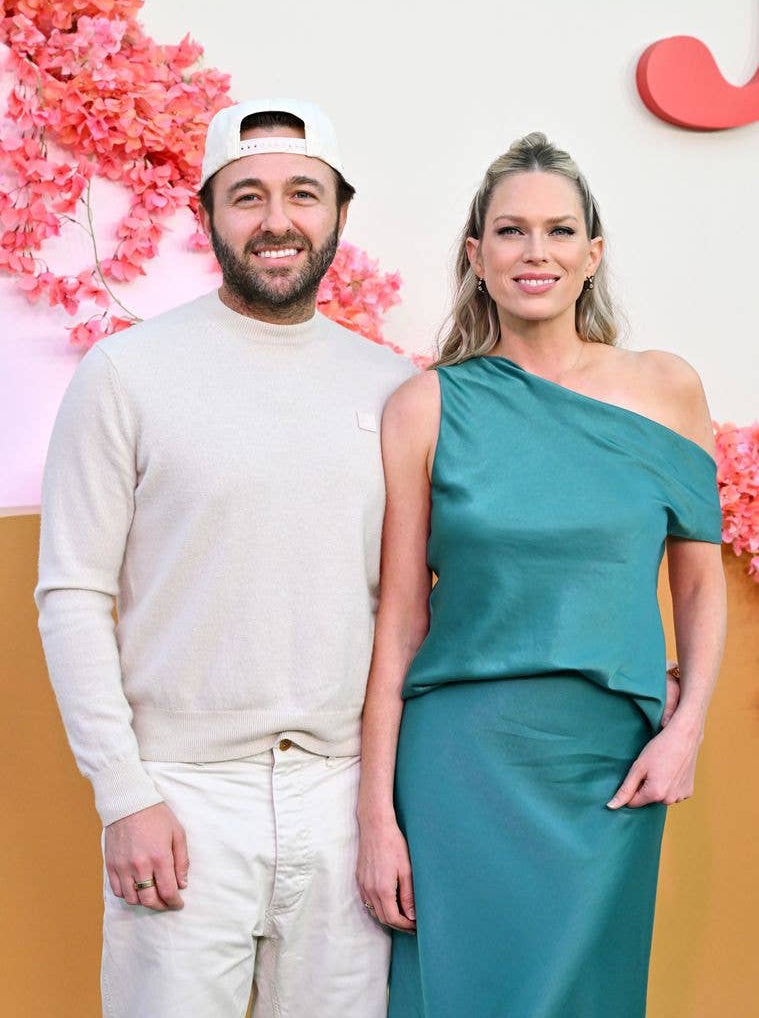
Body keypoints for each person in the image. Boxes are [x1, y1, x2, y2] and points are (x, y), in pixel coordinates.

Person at [35, 98, 415, 1018]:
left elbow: (419, 602)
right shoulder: (125, 374)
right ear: (205, 212)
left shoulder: (395, 387)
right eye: (247, 196)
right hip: (181, 795)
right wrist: (124, 796)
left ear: (338, 216)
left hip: (343, 799)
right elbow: (73, 592)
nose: (276, 220)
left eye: (302, 195)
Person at [356, 132, 726, 1018]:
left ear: (591, 256)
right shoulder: (425, 406)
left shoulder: (665, 387)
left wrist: (687, 733)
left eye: (559, 232)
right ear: (476, 255)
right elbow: (400, 623)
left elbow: (699, 585)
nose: (536, 253)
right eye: (511, 232)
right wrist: (376, 817)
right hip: (459, 762)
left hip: (611, 761)